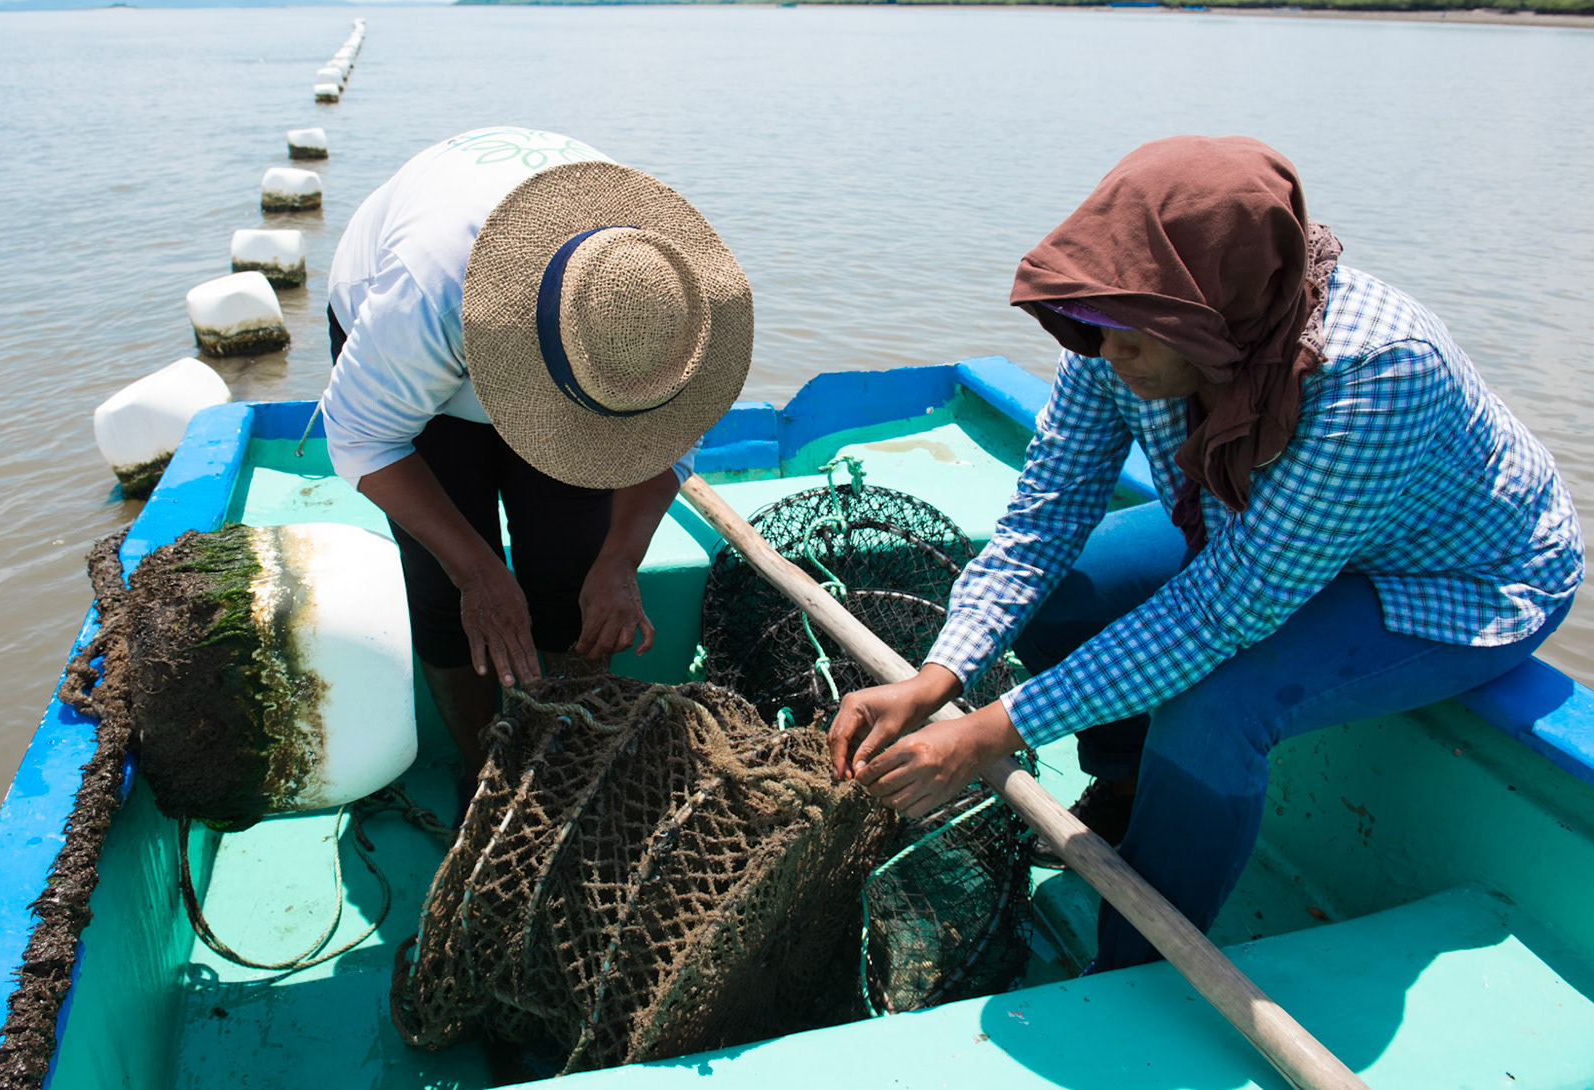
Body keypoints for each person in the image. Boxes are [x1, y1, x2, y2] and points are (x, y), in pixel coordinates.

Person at [828, 135, 1582, 972]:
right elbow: (1043, 519)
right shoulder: (1115, 326)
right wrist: (939, 680)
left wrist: (989, 733)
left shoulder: (1377, 373)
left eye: (1133, 336)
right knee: (1067, 591)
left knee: (1213, 711)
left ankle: (1134, 967)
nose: (1105, 354)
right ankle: (1124, 789)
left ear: (1218, 314)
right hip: (1254, 528)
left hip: (1449, 576)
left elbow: (1222, 613)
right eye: (1092, 329)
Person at [321, 126, 753, 796]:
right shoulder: (424, 294)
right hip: (425, 355)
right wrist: (476, 573)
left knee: (573, 566)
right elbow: (361, 441)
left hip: (568, 334)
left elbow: (674, 438)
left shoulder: (677, 306)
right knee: (446, 590)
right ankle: (482, 774)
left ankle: (571, 763)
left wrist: (621, 558)